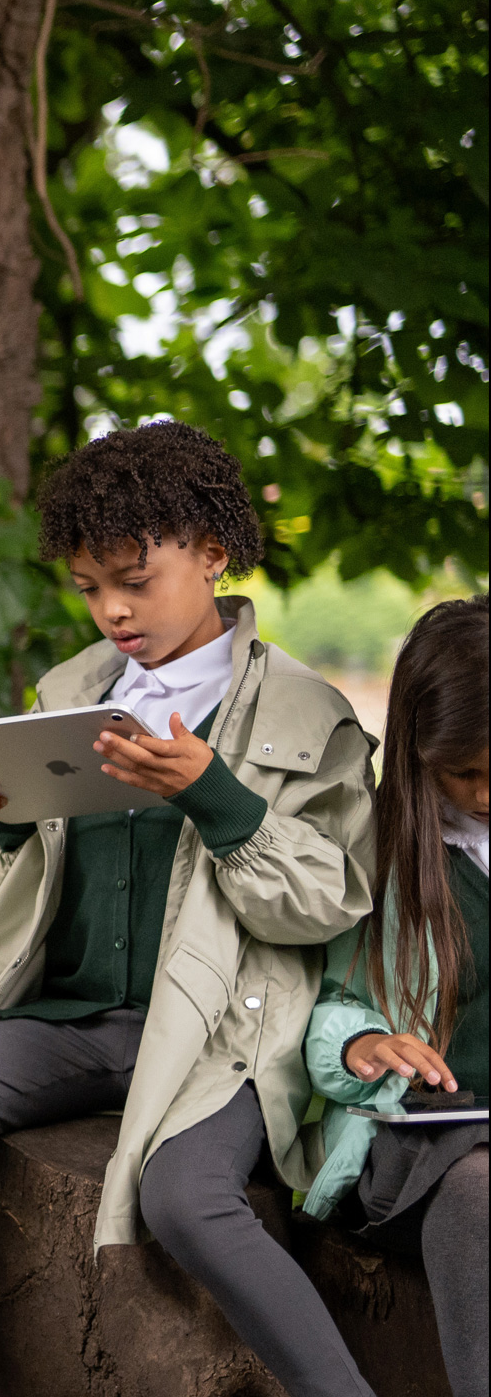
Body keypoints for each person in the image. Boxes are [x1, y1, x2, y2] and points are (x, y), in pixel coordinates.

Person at [0, 422, 376, 1397]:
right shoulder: (67, 692)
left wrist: (214, 795)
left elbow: (327, 903)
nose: (109, 608)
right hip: (71, 1020)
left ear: (210, 553)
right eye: (87, 586)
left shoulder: (308, 716)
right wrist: (5, 824)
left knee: (183, 1194)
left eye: (132, 579)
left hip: (219, 1032)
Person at [300, 595, 486, 1397]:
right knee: (480, 1201)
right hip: (421, 1143)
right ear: (419, 753)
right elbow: (320, 1006)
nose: (485, 793)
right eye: (464, 772)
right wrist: (360, 1046)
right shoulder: (376, 853)